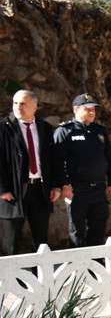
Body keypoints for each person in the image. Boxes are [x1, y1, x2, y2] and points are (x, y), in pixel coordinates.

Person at [1, 90, 63, 255]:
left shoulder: (44, 128)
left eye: (23, 103)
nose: (18, 107)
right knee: (11, 241)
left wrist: (56, 186)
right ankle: (10, 280)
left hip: (40, 190)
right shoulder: (4, 128)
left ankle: (40, 279)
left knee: (41, 241)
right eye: (15, 103)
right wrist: (2, 189)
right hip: (14, 192)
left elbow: (53, 159)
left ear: (34, 107)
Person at [53, 93, 111, 247]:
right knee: (77, 231)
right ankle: (77, 268)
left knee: (98, 229)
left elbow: (109, 158)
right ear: (76, 110)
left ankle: (96, 266)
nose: (92, 113)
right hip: (77, 189)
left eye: (93, 110)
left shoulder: (99, 132)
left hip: (98, 188)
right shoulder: (65, 131)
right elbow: (57, 161)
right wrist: (64, 184)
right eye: (87, 109)